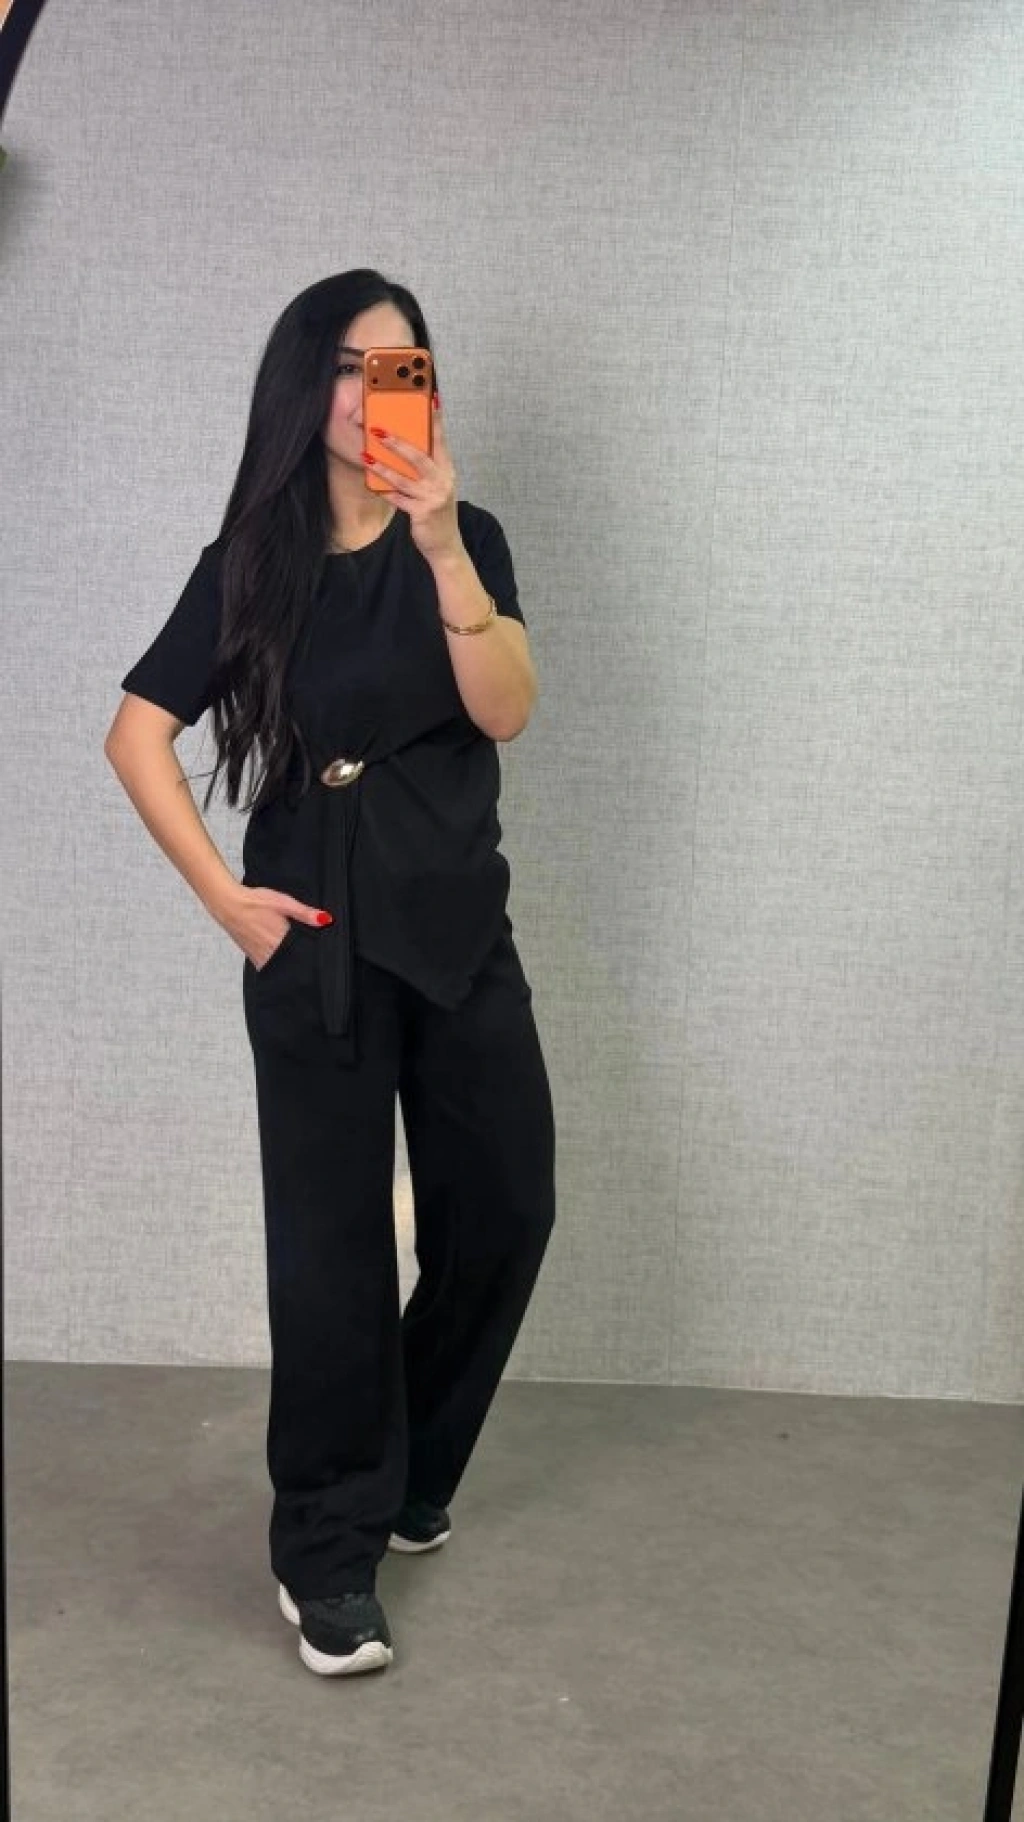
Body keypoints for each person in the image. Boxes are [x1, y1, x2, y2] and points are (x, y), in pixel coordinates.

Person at [103, 270, 557, 1678]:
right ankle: (325, 1548)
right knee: (332, 1255)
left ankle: (404, 1468)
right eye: (355, 368)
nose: (377, 394)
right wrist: (223, 898)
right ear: (308, 389)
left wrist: (442, 547)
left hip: (457, 922)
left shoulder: (467, 536)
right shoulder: (256, 557)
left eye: (404, 367)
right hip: (312, 936)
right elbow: (136, 731)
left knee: (507, 1209)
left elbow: (508, 710)